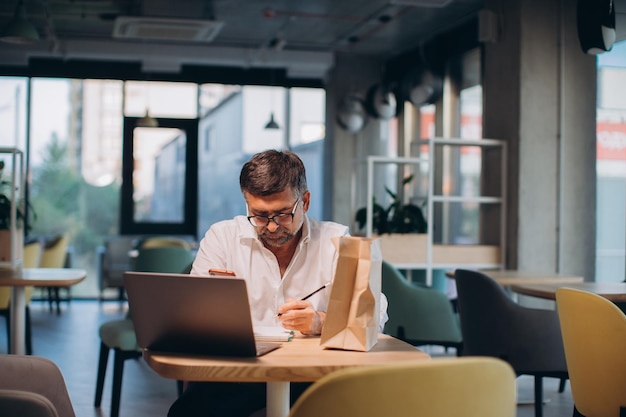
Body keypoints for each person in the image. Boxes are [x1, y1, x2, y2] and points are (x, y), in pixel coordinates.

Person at [168, 149, 388, 417]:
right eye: (259, 216)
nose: (271, 227)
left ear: (305, 202)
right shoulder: (222, 238)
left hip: (313, 376)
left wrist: (321, 321)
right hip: (237, 374)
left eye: (283, 214)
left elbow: (376, 316)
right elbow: (194, 315)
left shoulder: (336, 241)